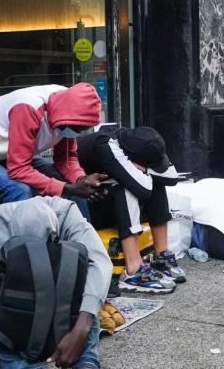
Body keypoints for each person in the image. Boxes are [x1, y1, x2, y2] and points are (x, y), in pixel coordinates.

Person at [0, 196, 112, 368]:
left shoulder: (66, 213)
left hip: (60, 303)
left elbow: (101, 263)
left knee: (89, 279)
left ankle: (87, 361)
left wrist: (81, 330)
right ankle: (21, 366)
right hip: (9, 312)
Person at [0, 83, 107, 217]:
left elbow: (65, 159)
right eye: (76, 128)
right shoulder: (28, 107)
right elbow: (18, 169)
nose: (76, 132)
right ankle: (26, 249)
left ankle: (83, 245)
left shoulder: (70, 106)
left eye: (82, 129)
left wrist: (81, 180)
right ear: (66, 115)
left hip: (6, 154)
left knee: (73, 187)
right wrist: (66, 188)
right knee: (19, 190)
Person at [77, 126, 184, 294]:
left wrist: (146, 169)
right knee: (127, 186)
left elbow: (172, 177)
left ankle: (161, 255)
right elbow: (142, 189)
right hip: (85, 207)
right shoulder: (105, 145)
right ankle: (133, 270)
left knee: (154, 182)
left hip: (107, 202)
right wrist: (140, 171)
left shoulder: (141, 141)